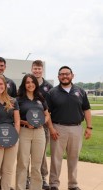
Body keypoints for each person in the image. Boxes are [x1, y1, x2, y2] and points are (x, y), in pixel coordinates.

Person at [46, 66, 92, 190]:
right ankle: (54, 184)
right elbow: (46, 113)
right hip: (58, 128)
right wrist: (51, 129)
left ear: (72, 75)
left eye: (67, 74)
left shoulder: (80, 91)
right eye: (62, 74)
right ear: (58, 77)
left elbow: (86, 109)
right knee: (56, 159)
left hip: (76, 128)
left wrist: (89, 127)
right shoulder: (52, 92)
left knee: (73, 158)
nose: (65, 76)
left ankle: (73, 185)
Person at [15, 74, 51, 190]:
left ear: (36, 83)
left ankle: (36, 187)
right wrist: (26, 123)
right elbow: (14, 118)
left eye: (32, 82)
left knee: (37, 165)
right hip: (24, 132)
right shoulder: (18, 99)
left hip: (39, 133)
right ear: (24, 85)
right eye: (27, 82)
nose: (30, 84)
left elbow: (47, 115)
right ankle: (20, 187)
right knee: (23, 163)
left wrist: (42, 122)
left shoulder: (40, 98)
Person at [30, 60, 56, 189]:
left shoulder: (49, 87)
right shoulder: (27, 83)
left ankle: (42, 177)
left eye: (39, 69)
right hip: (27, 125)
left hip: (43, 125)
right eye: (35, 68)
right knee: (26, 153)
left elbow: (49, 110)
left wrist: (49, 126)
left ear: (42, 70)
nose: (37, 71)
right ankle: (29, 178)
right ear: (31, 69)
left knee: (41, 153)